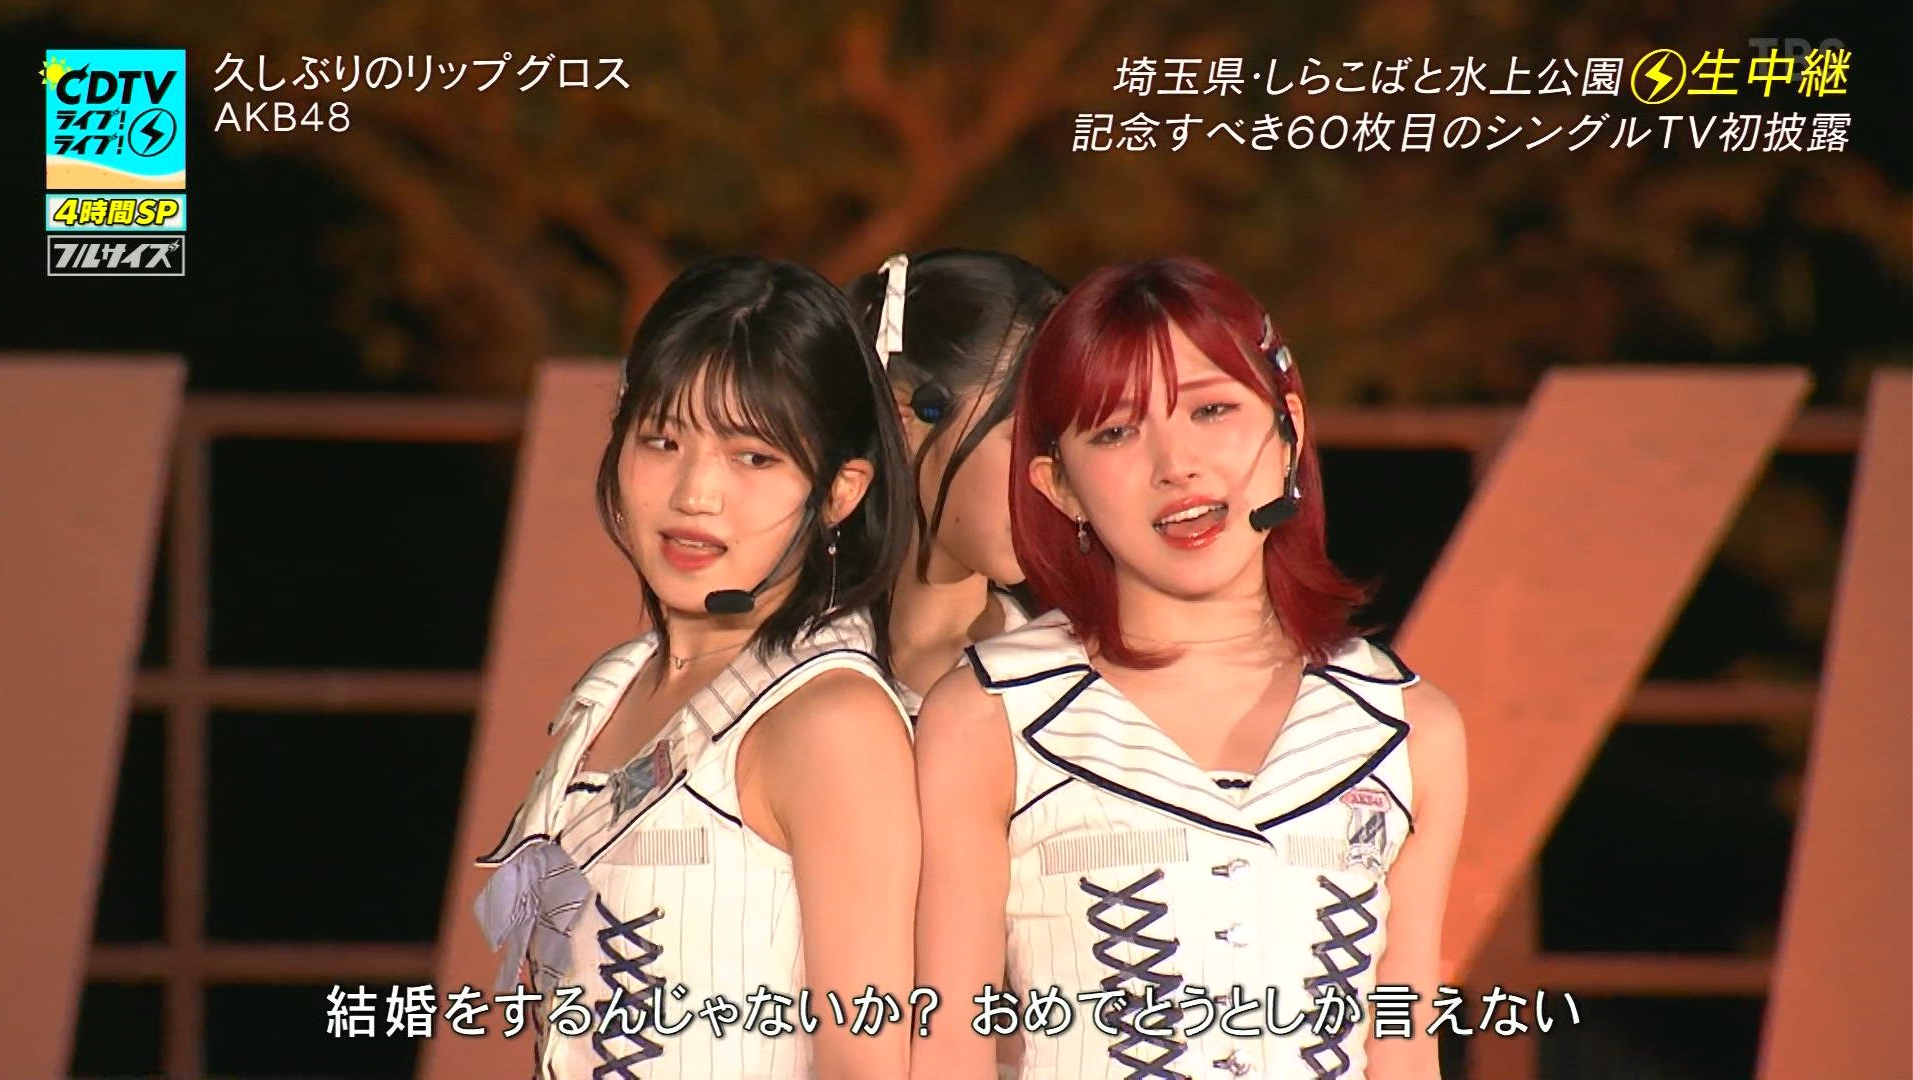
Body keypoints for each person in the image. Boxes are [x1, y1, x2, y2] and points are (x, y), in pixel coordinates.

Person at [911, 256, 1467, 1080]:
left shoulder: (1407, 727)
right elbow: (948, 1045)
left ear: (1289, 431)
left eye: (1212, 410)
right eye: (1115, 431)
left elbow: (1404, 1041)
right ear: (1058, 486)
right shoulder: (987, 715)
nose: (1177, 464)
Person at [473, 256, 920, 1080]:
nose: (695, 494)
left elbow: (865, 1060)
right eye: (662, 440)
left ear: (841, 491)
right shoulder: (612, 691)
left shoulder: (831, 721)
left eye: (754, 458)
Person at [845, 249, 1064, 716]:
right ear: (903, 419)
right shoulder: (777, 662)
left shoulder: (1074, 680)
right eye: (1025, 439)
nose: (1052, 479)